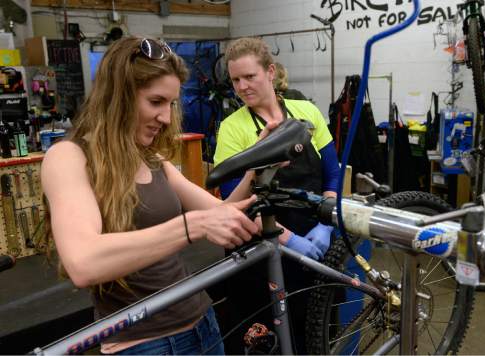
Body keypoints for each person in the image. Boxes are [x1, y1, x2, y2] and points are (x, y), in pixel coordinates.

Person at [41, 36, 261, 355]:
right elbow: (83, 262)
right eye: (156, 102)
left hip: (203, 324)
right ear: (119, 97)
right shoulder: (70, 157)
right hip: (144, 344)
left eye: (171, 104)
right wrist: (190, 226)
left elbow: (225, 215)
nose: (167, 118)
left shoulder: (152, 159)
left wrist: (257, 169)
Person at [213, 37, 341, 354]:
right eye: (235, 80)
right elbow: (238, 204)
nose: (241, 87)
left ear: (270, 72)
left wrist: (326, 223)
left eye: (249, 77)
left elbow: (333, 173)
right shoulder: (233, 128)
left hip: (317, 243)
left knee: (317, 334)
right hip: (263, 252)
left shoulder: (305, 112)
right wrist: (289, 240)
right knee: (267, 341)